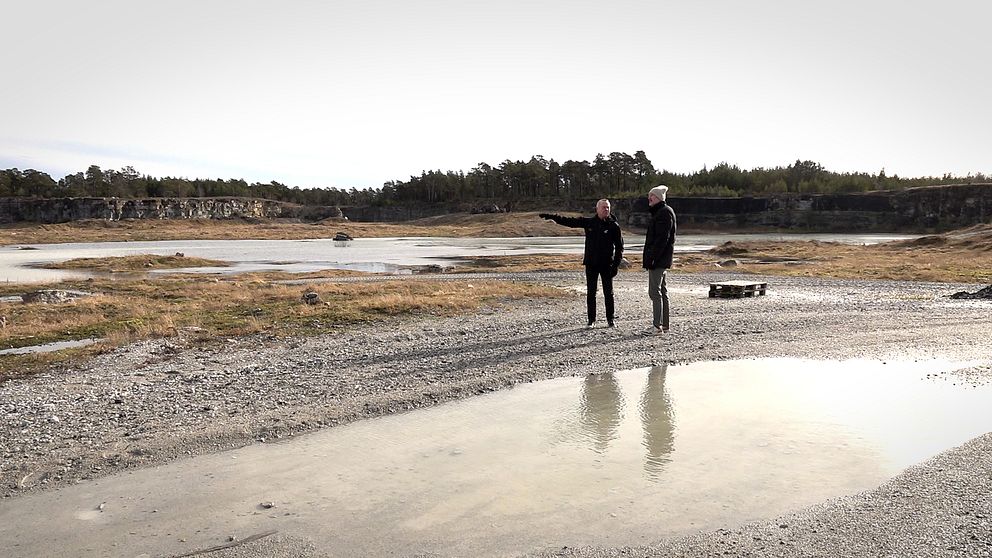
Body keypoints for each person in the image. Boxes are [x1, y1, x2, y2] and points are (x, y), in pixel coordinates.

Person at [540, 199, 624, 327]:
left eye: (607, 207)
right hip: (591, 263)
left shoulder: (614, 226)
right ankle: (591, 320)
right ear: (597, 209)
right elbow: (570, 222)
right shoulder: (589, 222)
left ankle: (610, 319)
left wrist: (616, 265)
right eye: (603, 207)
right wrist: (552, 217)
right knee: (591, 293)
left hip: (607, 264)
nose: (606, 210)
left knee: (609, 293)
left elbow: (619, 247)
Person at [642, 185, 677, 334]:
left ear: (659, 198)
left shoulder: (663, 213)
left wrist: (653, 258)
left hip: (658, 261)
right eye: (649, 196)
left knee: (654, 292)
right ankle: (664, 325)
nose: (649, 198)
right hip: (661, 259)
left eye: (653, 196)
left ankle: (657, 326)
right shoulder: (662, 212)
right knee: (662, 291)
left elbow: (663, 239)